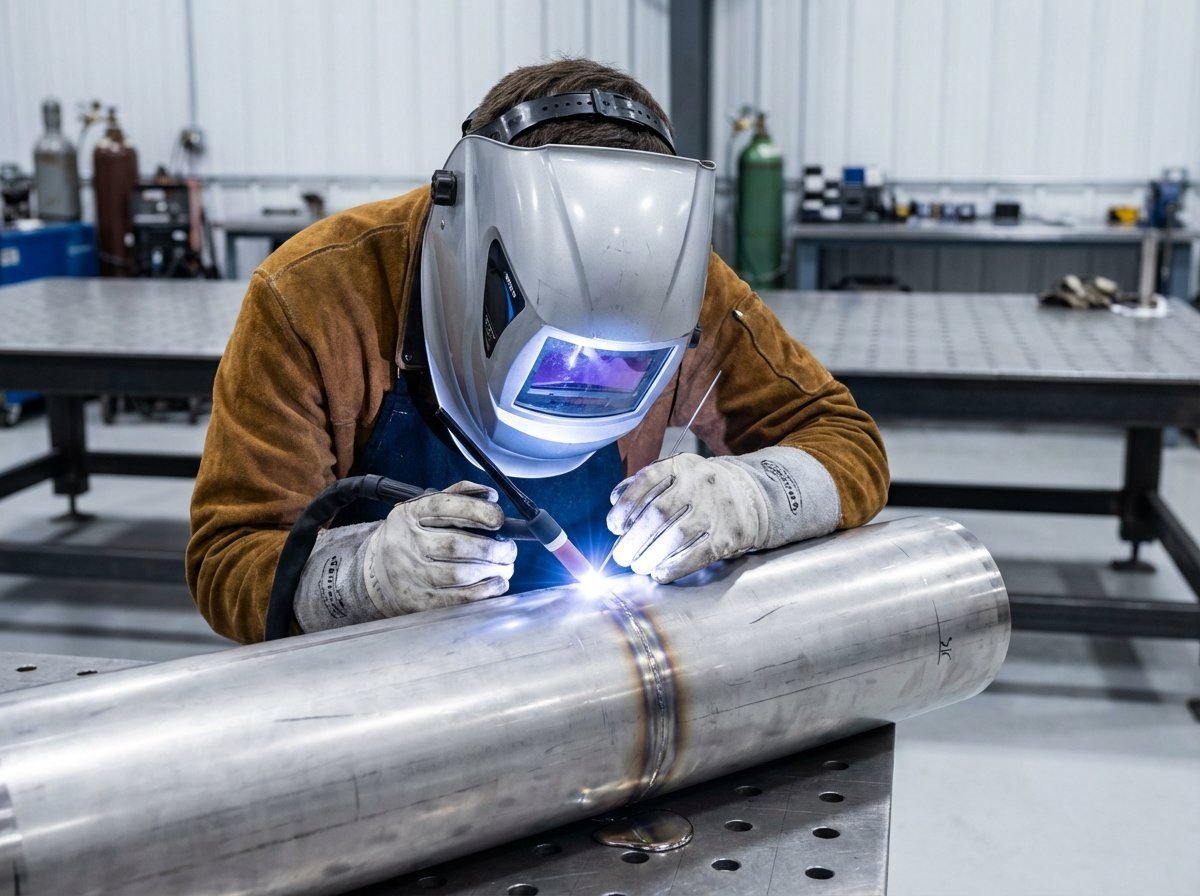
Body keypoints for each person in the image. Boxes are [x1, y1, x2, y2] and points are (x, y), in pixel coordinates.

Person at [187, 58, 889, 644]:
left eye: (625, 361)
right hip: (377, 685)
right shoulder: (318, 293)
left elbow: (847, 443)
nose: (581, 381)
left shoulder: (690, 288)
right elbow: (229, 560)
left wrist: (752, 496)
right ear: (468, 249)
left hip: (586, 658)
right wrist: (364, 574)